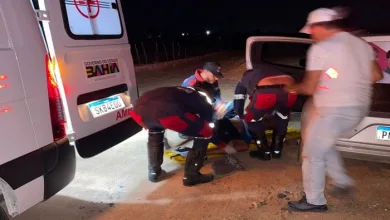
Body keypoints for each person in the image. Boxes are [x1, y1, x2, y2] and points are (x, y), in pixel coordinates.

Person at [285, 8, 384, 212]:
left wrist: (292, 87)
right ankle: (341, 181)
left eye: (311, 30)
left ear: (319, 27)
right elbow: (376, 75)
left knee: (311, 154)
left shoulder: (321, 48)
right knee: (323, 143)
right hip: (358, 109)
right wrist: (348, 79)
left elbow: (310, 87)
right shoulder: (361, 44)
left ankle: (314, 201)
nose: (311, 35)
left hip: (333, 110)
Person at [129, 86, 216, 186]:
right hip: (166, 113)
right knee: (205, 132)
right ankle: (192, 176)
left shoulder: (179, 90)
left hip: (138, 111)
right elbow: (208, 121)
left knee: (155, 131)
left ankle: (154, 173)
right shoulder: (204, 99)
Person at [233, 65, 298, 160]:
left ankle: (264, 152)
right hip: (290, 90)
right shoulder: (272, 70)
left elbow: (239, 98)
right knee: (282, 117)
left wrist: (240, 114)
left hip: (266, 93)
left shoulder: (244, 80)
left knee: (252, 120)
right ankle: (277, 151)